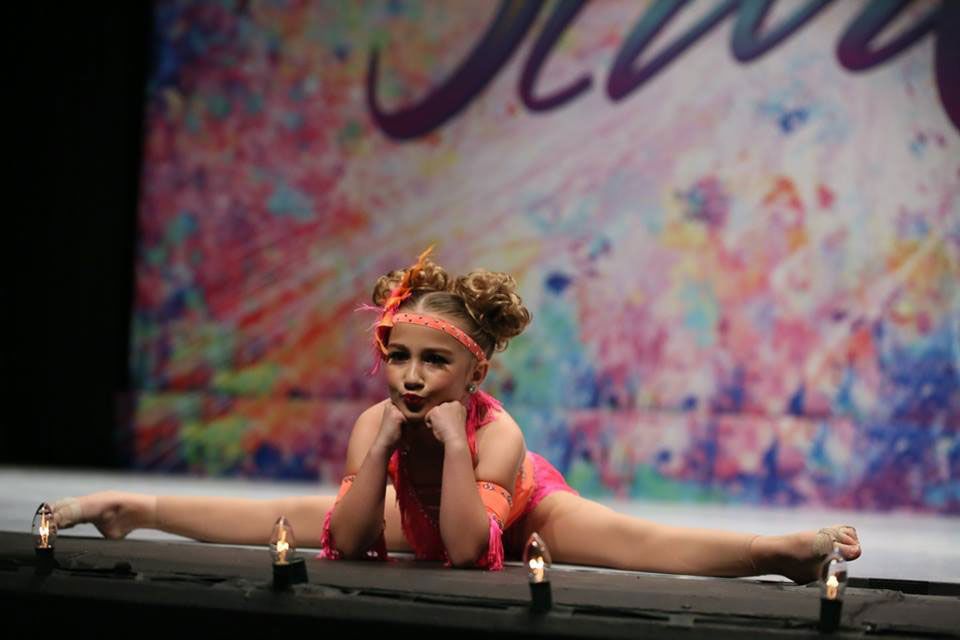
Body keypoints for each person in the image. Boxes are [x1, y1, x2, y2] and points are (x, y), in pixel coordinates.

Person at [52, 247, 861, 582]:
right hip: (421, 504)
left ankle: (777, 552)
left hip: (510, 506)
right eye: (397, 358)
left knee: (637, 544)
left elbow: (474, 555)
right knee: (285, 515)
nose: (410, 376)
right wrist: (379, 458)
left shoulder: (498, 431)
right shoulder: (377, 422)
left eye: (433, 361)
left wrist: (451, 444)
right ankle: (137, 509)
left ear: (476, 368)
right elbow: (354, 543)